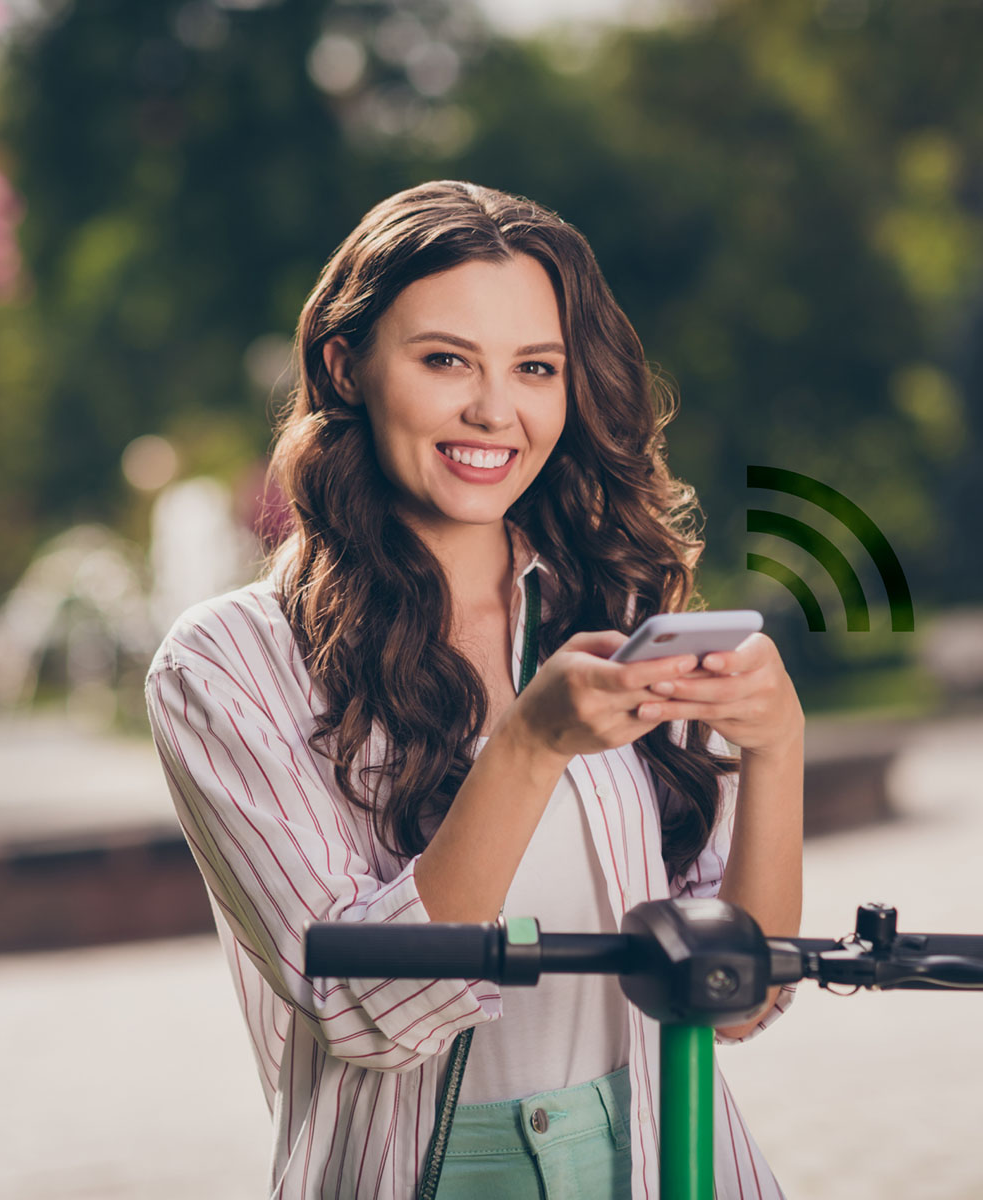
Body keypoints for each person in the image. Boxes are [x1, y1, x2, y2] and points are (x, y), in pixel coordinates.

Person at [145, 179, 804, 1200]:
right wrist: (528, 749)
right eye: (445, 359)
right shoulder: (225, 664)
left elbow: (731, 998)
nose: (495, 409)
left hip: (669, 1156)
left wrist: (776, 750)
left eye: (534, 368)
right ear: (345, 365)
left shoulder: (614, 607)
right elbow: (364, 1009)